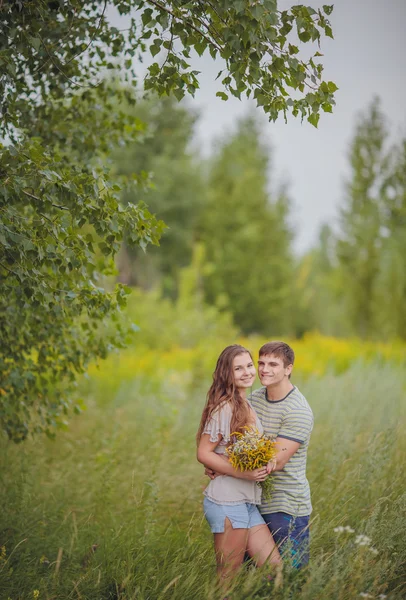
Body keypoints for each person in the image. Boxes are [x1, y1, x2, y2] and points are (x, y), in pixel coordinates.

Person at [206, 341, 313, 569]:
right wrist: (214, 460)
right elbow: (226, 442)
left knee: (288, 578)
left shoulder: (298, 411)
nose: (264, 369)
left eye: (273, 364)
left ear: (288, 369)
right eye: (261, 363)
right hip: (250, 501)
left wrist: (220, 464)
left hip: (284, 506)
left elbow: (275, 460)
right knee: (246, 577)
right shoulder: (251, 400)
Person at [196, 345, 283, 589]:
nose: (247, 372)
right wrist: (243, 473)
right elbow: (203, 452)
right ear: (227, 374)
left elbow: (239, 451)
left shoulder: (246, 404)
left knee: (274, 568)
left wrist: (268, 460)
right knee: (228, 580)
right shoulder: (225, 407)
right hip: (227, 502)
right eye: (238, 368)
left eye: (248, 365)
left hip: (246, 502)